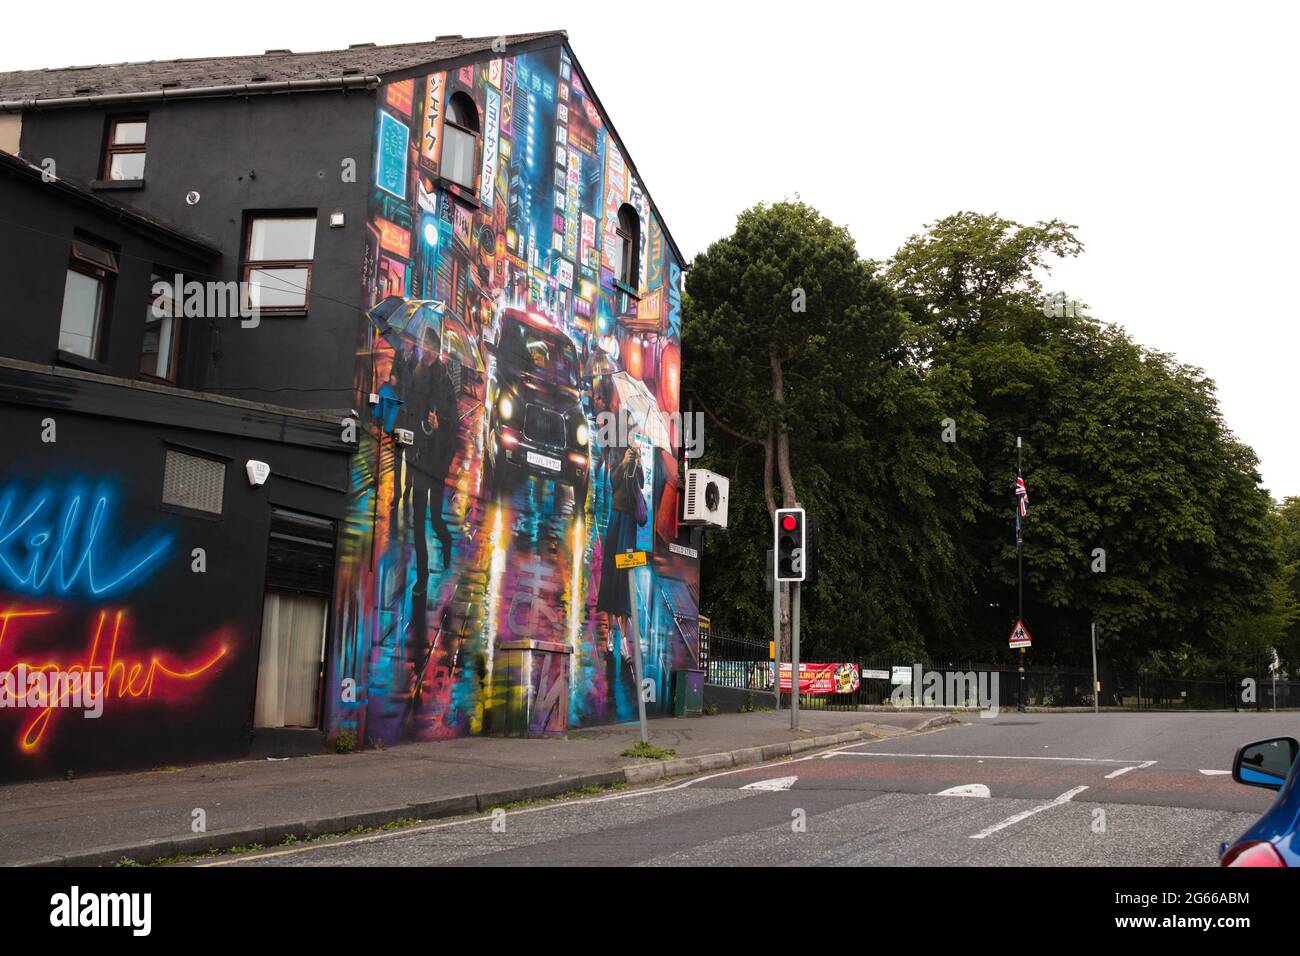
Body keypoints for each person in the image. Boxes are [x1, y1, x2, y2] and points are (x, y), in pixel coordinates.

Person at [408, 346, 459, 600]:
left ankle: (446, 541)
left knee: (436, 518)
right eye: (423, 348)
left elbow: (454, 428)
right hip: (419, 461)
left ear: (435, 352)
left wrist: (440, 427)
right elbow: (410, 411)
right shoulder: (417, 375)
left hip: (436, 465)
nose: (425, 353)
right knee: (418, 521)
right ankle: (422, 577)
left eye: (429, 349)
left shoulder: (445, 383)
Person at [596, 433, 644, 664]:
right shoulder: (616, 454)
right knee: (612, 577)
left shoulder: (635, 457)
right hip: (616, 520)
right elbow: (612, 482)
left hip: (630, 526)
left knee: (626, 578)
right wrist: (624, 461)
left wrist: (639, 463)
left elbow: (641, 485)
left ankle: (624, 640)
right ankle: (613, 636)